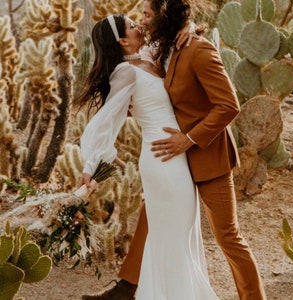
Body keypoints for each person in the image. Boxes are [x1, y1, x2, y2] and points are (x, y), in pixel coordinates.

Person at [87, 0, 267, 300]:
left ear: (164, 16)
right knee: (152, 216)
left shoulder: (198, 49)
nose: (142, 21)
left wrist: (189, 139)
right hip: (172, 160)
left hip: (207, 156)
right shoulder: (162, 49)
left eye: (146, 15)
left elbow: (229, 106)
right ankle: (127, 287)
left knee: (228, 237)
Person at [78, 14, 219, 300]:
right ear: (122, 40)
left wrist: (188, 26)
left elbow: (177, 37)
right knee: (173, 235)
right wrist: (90, 166)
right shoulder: (126, 73)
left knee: (182, 232)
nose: (138, 26)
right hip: (161, 160)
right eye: (132, 25)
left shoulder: (148, 55)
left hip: (176, 155)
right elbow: (107, 120)